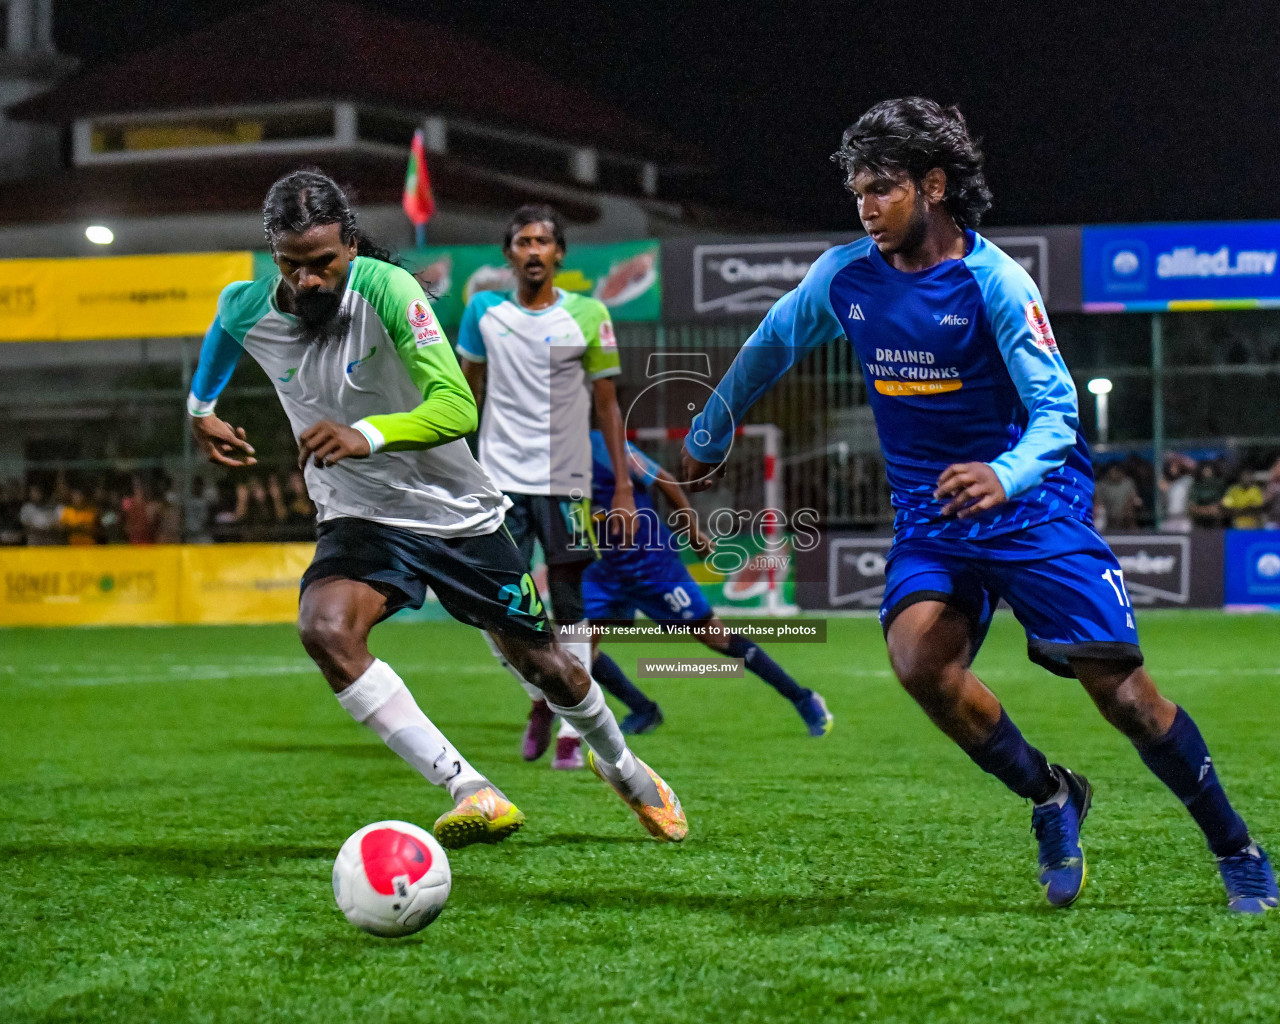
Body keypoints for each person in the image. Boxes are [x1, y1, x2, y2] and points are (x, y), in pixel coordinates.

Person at [679, 98, 1276, 912]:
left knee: (1125, 699)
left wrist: (1004, 472)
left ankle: (1236, 847)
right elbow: (768, 347)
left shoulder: (995, 281)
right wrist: (710, 434)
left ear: (933, 185)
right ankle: (1051, 795)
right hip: (934, 516)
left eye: (883, 188)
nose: (866, 207)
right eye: (857, 190)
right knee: (919, 662)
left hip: (1032, 506)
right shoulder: (845, 275)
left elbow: (1057, 410)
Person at [186, 169, 685, 846]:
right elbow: (223, 334)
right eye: (293, 266)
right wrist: (201, 410)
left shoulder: (388, 290)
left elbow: (457, 406)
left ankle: (624, 767)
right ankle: (470, 788)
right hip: (357, 516)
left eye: (324, 264)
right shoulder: (248, 305)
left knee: (549, 668)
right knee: (325, 629)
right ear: (275, 256)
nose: (309, 281)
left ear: (352, 248)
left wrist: (365, 435)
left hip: (455, 513)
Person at [456, 204, 639, 770]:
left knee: (569, 603)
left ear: (559, 254)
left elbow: (608, 405)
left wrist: (625, 489)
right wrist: (452, 470)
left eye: (543, 242)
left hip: (566, 476)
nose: (533, 251)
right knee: (490, 602)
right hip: (498, 480)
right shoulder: (482, 312)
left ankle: (569, 727)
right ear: (508, 253)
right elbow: (465, 395)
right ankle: (540, 693)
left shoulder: (587, 314)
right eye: (522, 241)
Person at [583, 428, 834, 736]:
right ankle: (643, 710)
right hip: (603, 570)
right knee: (580, 650)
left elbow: (665, 479)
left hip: (653, 566)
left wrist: (692, 532)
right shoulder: (543, 462)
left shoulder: (603, 445)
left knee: (716, 637)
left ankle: (803, 698)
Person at [1094, 463, 1140, 532]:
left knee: (1131, 509)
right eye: (1111, 472)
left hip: (1125, 515)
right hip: (1108, 515)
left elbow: (1133, 498)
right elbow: (1099, 502)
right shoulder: (1101, 485)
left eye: (1115, 471)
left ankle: (1134, 532)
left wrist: (1124, 511)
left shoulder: (1128, 483)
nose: (1113, 474)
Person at [1158, 455, 1194, 533]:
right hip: (1168, 519)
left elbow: (1194, 467)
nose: (1173, 469)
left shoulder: (1186, 480)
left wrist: (1178, 458)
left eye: (1176, 466)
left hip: (1183, 519)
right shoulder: (1163, 482)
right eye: (1172, 466)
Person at [1187, 462, 1226, 529]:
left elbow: (1223, 503)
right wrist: (1206, 510)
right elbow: (1191, 506)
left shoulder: (1219, 484)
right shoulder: (1196, 486)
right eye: (1205, 470)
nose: (1207, 472)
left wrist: (1216, 509)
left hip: (1216, 523)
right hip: (1199, 521)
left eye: (1209, 470)